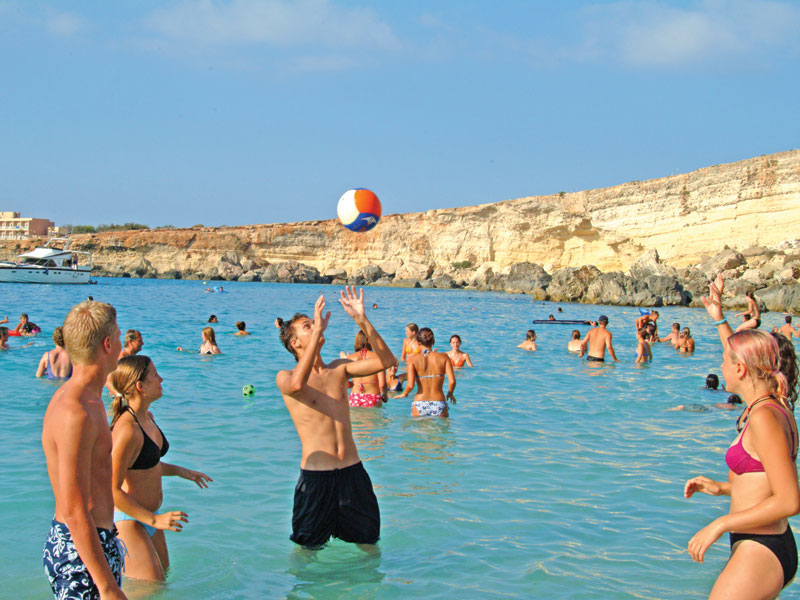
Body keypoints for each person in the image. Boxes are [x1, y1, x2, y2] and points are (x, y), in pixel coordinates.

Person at [275, 286, 396, 548]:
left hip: (353, 475)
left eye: (314, 323)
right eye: (307, 326)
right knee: (307, 551)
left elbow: (387, 361)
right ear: (295, 343)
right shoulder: (285, 376)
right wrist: (318, 330)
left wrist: (362, 320)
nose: (317, 326)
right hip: (316, 480)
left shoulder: (339, 369)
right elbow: (297, 385)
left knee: (369, 545)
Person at [684, 329, 799, 598]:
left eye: (725, 361)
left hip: (762, 546)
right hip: (762, 542)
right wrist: (722, 488)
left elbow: (789, 500)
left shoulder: (765, 416)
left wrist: (720, 523)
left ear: (740, 368)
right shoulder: (765, 408)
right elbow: (763, 480)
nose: (720, 368)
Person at [41, 301, 127, 599]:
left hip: (95, 543)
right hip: (79, 553)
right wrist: (108, 587)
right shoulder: (75, 411)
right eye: (118, 337)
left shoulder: (90, 400)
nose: (121, 345)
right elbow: (74, 508)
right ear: (107, 344)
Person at [109, 355, 212, 581]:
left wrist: (181, 471)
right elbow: (111, 490)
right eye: (155, 375)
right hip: (131, 519)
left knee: (161, 585)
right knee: (148, 590)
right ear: (140, 387)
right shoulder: (127, 430)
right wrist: (153, 520)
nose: (161, 379)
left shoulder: (148, 418)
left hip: (151, 516)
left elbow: (146, 466)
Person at [396, 327, 456, 417]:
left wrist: (404, 393)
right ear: (433, 341)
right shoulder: (444, 357)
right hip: (439, 401)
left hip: (419, 402)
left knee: (418, 430)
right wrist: (450, 393)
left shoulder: (413, 359)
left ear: (418, 342)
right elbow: (452, 381)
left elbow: (410, 385)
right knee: (441, 430)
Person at [345, 330, 387, 407]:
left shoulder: (350, 358)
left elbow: (346, 384)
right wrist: (385, 395)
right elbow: (382, 384)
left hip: (355, 397)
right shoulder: (379, 358)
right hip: (373, 397)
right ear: (371, 342)